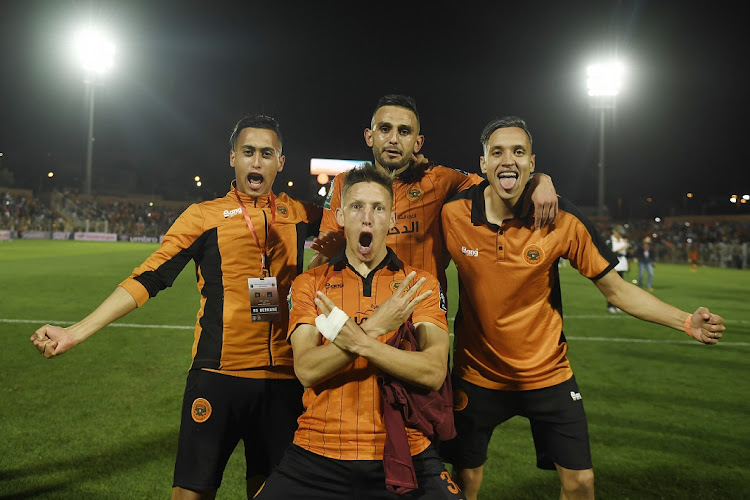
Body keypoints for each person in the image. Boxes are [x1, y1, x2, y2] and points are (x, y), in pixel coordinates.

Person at [29, 114, 323, 500]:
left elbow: (360, 223)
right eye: (248, 152)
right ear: (232, 157)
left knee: (271, 493)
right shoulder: (203, 217)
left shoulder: (303, 214)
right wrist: (74, 332)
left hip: (284, 383)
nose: (256, 162)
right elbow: (148, 277)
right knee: (190, 495)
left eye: (267, 154)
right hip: (218, 375)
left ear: (280, 162)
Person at [439, 116, 726, 500]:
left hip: (548, 375)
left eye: (518, 152)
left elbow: (617, 291)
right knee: (466, 478)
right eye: (498, 152)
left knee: (580, 483)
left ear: (532, 162)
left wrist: (686, 321)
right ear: (483, 164)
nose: (508, 160)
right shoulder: (453, 214)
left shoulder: (562, 219)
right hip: (478, 375)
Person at [255, 163, 466, 499]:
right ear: (340, 216)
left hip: (404, 449)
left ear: (392, 219)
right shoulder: (311, 283)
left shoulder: (419, 284)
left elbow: (433, 372)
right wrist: (375, 327)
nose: (367, 217)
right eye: (357, 207)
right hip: (318, 450)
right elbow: (307, 370)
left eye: (378, 208)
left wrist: (359, 342)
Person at [308, 94, 559, 296]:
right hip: (361, 314)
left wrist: (540, 180)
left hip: (423, 322)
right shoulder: (345, 183)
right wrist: (338, 252)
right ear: (369, 137)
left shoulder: (441, 180)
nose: (394, 139)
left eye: (404, 132)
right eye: (385, 129)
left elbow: (501, 181)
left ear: (418, 143)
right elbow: (318, 265)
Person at [605, 225, 629, 312]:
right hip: (614, 265)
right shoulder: (610, 241)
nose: (620, 235)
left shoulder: (623, 240)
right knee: (612, 287)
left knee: (620, 287)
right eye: (619, 233)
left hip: (622, 264)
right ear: (615, 232)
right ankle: (610, 306)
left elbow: (626, 253)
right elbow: (609, 252)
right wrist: (620, 249)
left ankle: (619, 306)